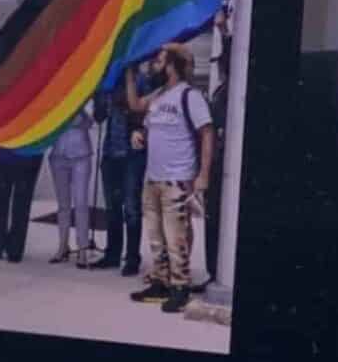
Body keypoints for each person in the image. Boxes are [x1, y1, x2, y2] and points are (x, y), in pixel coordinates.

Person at [128, 44, 213, 315]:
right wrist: (139, 134)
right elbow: (137, 108)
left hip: (177, 180)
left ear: (172, 66)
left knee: (176, 238)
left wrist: (203, 175)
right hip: (152, 178)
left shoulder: (190, 96)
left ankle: (180, 288)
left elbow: (207, 133)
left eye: (159, 61)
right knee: (156, 237)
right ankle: (161, 283)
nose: (155, 65)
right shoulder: (158, 95)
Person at [45, 99, 102, 265]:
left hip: (81, 155)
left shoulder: (85, 97)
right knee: (63, 205)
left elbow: (90, 122)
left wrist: (78, 106)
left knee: (80, 203)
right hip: (58, 155)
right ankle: (62, 246)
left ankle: (82, 249)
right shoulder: (54, 98)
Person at [97, 81, 145, 273]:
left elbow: (144, 114)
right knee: (112, 207)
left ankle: (132, 258)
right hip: (110, 153)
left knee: (131, 208)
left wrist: (124, 102)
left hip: (131, 155)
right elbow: (99, 117)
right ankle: (112, 254)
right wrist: (100, 97)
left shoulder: (140, 81)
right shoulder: (107, 84)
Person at [0, 146, 42, 262]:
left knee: (9, 202)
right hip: (19, 151)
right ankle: (10, 248)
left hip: (18, 152)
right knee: (16, 202)